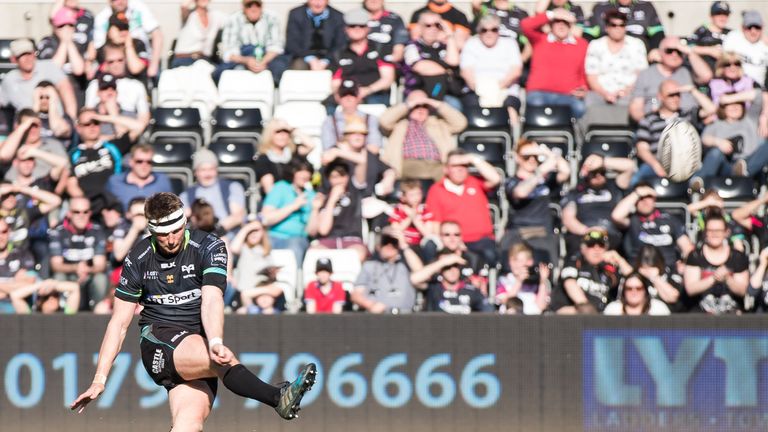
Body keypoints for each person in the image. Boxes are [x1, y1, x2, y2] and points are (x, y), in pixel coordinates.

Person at [70, 192, 317, 427]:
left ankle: (271, 394)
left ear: (185, 222)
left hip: (198, 345)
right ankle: (277, 397)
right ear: (152, 231)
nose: (171, 239)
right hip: (159, 341)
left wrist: (216, 340)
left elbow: (212, 299)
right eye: (163, 234)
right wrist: (99, 380)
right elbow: (119, 323)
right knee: (219, 359)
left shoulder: (210, 247)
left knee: (188, 426)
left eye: (176, 230)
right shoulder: (138, 258)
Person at [426, 149, 502, 267]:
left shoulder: (474, 182)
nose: (460, 169)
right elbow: (435, 223)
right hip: (451, 241)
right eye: (455, 165)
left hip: (481, 240)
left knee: (491, 255)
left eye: (464, 165)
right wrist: (451, 243)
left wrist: (472, 158)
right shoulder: (437, 190)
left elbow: (495, 179)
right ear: (446, 169)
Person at [632, 79, 716, 184]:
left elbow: (711, 109)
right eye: (671, 95)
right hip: (657, 164)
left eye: (678, 95)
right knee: (638, 178)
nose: (675, 99)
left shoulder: (687, 115)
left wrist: (692, 90)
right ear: (660, 96)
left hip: (687, 166)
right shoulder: (649, 119)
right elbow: (642, 149)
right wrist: (656, 165)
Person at [502, 139, 570, 263]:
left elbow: (565, 171)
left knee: (547, 265)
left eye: (536, 156)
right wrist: (540, 172)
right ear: (517, 158)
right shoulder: (511, 181)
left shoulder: (545, 181)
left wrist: (548, 153)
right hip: (518, 233)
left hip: (543, 232)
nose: (532, 159)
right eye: (527, 156)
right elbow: (521, 192)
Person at [379, 90, 467, 180]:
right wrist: (409, 104)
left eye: (424, 106)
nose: (421, 109)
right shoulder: (399, 124)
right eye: (416, 106)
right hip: (410, 164)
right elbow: (384, 121)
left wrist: (434, 103)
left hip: (438, 165)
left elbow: (460, 123)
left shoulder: (438, 124)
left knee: (453, 177)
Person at [561, 153, 634, 257]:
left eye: (602, 172)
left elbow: (630, 166)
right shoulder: (576, 192)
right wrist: (588, 231)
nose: (598, 175)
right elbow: (568, 219)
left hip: (611, 234)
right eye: (594, 172)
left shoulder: (614, 187)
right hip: (584, 233)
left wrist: (603, 161)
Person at [521, 8, 589, 118]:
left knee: (579, 108)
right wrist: (551, 14)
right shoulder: (540, 40)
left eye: (565, 23)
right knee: (536, 105)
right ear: (551, 24)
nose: (561, 26)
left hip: (567, 96)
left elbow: (584, 71)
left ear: (570, 25)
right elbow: (525, 25)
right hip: (539, 93)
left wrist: (584, 87)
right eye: (557, 22)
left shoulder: (581, 44)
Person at [584, 9, 647, 123]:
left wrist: (625, 91)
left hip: (629, 93)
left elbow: (641, 75)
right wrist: (605, 94)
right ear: (607, 27)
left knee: (638, 104)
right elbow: (591, 76)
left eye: (622, 25)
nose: (618, 28)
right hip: (601, 93)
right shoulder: (595, 45)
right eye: (614, 25)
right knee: (589, 102)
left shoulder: (636, 45)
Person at [629, 36, 713, 122]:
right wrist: (650, 125)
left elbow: (706, 76)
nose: (674, 54)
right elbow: (636, 108)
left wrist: (690, 52)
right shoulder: (646, 74)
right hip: (656, 126)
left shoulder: (688, 70)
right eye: (669, 51)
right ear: (659, 53)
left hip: (688, 123)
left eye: (679, 51)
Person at [66, 108, 134, 213]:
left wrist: (103, 117)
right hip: (88, 209)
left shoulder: (112, 147)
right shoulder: (73, 154)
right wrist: (86, 208)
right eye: (87, 124)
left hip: (114, 204)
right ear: (78, 128)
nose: (92, 127)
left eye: (96, 122)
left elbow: (138, 127)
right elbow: (71, 185)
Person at [459, 15, 523, 125]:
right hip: (476, 89)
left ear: (498, 31)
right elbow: (466, 72)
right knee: (471, 106)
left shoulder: (510, 43)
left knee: (511, 109)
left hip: (506, 89)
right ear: (479, 31)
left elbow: (516, 70)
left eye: (494, 29)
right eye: (484, 30)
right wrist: (484, 90)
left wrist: (496, 88)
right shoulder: (471, 43)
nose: (489, 33)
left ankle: (513, 140)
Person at [611, 182, 695, 266]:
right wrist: (636, 193)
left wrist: (684, 264)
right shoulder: (632, 220)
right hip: (639, 271)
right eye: (641, 198)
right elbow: (616, 216)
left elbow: (687, 248)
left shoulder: (670, 219)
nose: (644, 201)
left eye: (648, 197)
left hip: (668, 270)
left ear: (654, 198)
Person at [49, 196, 109, 310]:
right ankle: (64, 313)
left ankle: (99, 313)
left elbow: (100, 265)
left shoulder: (97, 231)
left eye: (85, 212)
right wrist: (76, 267)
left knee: (101, 279)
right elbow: (55, 265)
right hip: (67, 274)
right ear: (69, 214)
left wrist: (87, 270)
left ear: (90, 213)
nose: (81, 215)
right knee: (58, 277)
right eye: (76, 212)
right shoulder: (58, 232)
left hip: (89, 275)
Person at [684, 212, 748, 314]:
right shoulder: (695, 256)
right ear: (705, 232)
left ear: (726, 232)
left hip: (733, 316)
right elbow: (690, 289)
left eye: (718, 230)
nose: (715, 234)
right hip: (700, 316)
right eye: (711, 230)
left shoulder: (737, 256)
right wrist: (714, 278)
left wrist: (727, 279)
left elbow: (742, 291)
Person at [550, 228, 627, 314]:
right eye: (591, 245)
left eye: (601, 245)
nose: (596, 249)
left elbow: (636, 279)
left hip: (600, 316)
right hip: (572, 314)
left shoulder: (609, 270)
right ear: (583, 248)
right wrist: (588, 310)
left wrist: (620, 260)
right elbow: (569, 283)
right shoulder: (575, 262)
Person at [306, 160, 369, 262]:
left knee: (358, 254)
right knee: (313, 253)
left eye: (342, 175)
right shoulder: (324, 199)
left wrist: (336, 151)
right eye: (334, 177)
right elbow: (323, 230)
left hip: (351, 240)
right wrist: (331, 200)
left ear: (348, 177)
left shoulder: (355, 192)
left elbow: (361, 161)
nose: (339, 180)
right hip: (329, 241)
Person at [0, 38, 78, 119]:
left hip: (55, 124)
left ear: (34, 54)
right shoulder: (9, 80)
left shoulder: (48, 67)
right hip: (26, 127)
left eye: (29, 54)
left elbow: (66, 90)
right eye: (22, 55)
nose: (27, 58)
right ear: (13, 59)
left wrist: (71, 120)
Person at [331, 8, 395, 105]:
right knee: (329, 106)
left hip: (375, 94)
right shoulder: (338, 53)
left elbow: (387, 79)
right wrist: (340, 96)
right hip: (347, 96)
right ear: (346, 29)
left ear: (368, 28)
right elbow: (336, 82)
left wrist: (367, 90)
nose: (357, 29)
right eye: (352, 26)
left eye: (361, 26)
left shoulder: (380, 49)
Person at [320, 117, 396, 199]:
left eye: (362, 134)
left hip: (365, 202)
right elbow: (325, 159)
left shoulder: (369, 155)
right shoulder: (334, 151)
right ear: (346, 136)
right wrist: (338, 152)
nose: (358, 137)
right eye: (354, 133)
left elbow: (388, 169)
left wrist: (389, 178)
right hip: (339, 201)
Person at [351, 229, 424, 313]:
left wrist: (404, 245)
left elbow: (420, 271)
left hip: (405, 317)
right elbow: (356, 294)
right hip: (377, 317)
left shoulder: (406, 264)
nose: (389, 245)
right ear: (378, 246)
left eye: (393, 242)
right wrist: (370, 305)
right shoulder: (369, 266)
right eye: (385, 242)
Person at [694, 97, 767, 181]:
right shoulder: (716, 124)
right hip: (728, 165)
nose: (734, 107)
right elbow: (704, 138)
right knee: (716, 152)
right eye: (730, 105)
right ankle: (698, 183)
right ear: (723, 108)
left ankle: (744, 172)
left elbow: (758, 95)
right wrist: (719, 142)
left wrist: (729, 99)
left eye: (738, 104)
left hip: (751, 162)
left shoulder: (750, 119)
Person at [260, 157, 315, 264]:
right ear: (293, 172)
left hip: (297, 239)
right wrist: (294, 206)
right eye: (300, 171)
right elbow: (266, 219)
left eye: (307, 172)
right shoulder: (280, 187)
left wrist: (316, 210)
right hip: (273, 236)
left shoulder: (311, 195)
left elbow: (311, 232)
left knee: (294, 249)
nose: (305, 175)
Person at [213, 0, 284, 83]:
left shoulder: (272, 17)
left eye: (257, 5)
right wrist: (247, 61)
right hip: (242, 58)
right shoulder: (233, 19)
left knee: (279, 67)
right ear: (243, 7)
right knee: (233, 68)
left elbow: (276, 47)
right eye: (249, 5)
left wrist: (261, 62)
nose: (253, 9)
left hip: (267, 58)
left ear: (262, 6)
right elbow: (228, 52)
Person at [401, 11, 462, 107]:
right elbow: (421, 67)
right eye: (428, 25)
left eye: (437, 25)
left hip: (443, 95)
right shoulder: (412, 46)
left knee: (454, 104)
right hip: (418, 95)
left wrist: (449, 35)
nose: (433, 29)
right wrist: (447, 71)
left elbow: (454, 61)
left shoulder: (444, 47)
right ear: (420, 28)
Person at [181, 148, 247, 235]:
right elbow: (182, 218)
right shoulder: (187, 194)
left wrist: (217, 231)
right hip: (199, 237)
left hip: (227, 235)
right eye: (203, 170)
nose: (207, 174)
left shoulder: (232, 187)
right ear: (195, 172)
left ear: (216, 170)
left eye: (211, 169)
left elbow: (238, 216)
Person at [93, 0, 164, 80]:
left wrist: (154, 65)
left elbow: (157, 34)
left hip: (141, 62)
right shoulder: (102, 17)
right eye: (119, 29)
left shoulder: (139, 7)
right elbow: (96, 48)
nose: (123, 32)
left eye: (125, 28)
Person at [0, 109, 70, 183]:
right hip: (12, 190)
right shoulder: (12, 145)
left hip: (43, 190)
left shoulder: (52, 145)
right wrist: (23, 127)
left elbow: (66, 166)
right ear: (19, 127)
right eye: (28, 126)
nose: (32, 130)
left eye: (35, 126)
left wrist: (34, 152)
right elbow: (3, 156)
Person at [411, 248, 490, 313]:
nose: (452, 270)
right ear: (440, 269)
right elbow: (414, 279)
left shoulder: (471, 289)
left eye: (455, 266)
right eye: (447, 267)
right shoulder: (434, 287)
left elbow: (488, 312)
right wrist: (443, 262)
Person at [230, 219, 284, 313]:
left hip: (264, 290)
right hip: (246, 292)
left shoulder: (267, 252)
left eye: (257, 230)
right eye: (251, 231)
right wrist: (247, 228)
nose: (253, 233)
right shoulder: (244, 248)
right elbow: (233, 248)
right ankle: (252, 309)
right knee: (246, 300)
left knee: (275, 293)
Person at [281, 0, 346, 72]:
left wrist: (325, 61)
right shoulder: (296, 14)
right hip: (302, 56)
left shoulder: (338, 16)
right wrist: (310, 59)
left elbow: (340, 44)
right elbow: (292, 43)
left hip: (329, 57)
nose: (318, 3)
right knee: (298, 67)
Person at [585, 0, 664, 58]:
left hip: (639, 53)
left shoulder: (646, 6)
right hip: (607, 55)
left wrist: (655, 48)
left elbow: (658, 32)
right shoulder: (600, 7)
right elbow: (587, 34)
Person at [320, 80, 384, 151]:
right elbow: (328, 150)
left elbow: (374, 148)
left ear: (359, 96)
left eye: (352, 94)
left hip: (364, 160)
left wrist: (346, 151)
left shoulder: (371, 119)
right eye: (344, 95)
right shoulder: (329, 121)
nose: (348, 98)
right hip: (340, 160)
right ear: (337, 97)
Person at [107, 143, 174, 211]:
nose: (144, 165)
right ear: (131, 162)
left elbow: (171, 207)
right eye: (139, 161)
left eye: (149, 162)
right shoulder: (115, 182)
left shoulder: (162, 180)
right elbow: (106, 208)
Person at [256, 118, 314, 194]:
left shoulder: (293, 152)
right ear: (270, 134)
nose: (283, 135)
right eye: (278, 132)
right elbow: (269, 190)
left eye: (286, 132)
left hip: (297, 195)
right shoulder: (263, 159)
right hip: (279, 200)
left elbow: (311, 145)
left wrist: (293, 130)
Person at [495, 243, 551, 314]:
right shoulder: (503, 280)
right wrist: (519, 281)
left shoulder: (536, 283)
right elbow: (504, 302)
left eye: (528, 260)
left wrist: (542, 281)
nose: (513, 264)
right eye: (512, 260)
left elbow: (541, 307)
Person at [388, 179, 437, 255]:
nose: (416, 198)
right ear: (403, 197)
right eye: (412, 195)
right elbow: (396, 231)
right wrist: (410, 217)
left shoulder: (425, 211)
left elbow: (428, 233)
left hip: (420, 245)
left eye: (418, 194)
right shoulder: (398, 210)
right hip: (401, 243)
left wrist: (414, 219)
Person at [173, 0, 227, 68]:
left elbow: (232, 21)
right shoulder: (189, 14)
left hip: (205, 61)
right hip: (184, 59)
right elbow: (184, 5)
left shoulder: (216, 15)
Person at [722, 10, 768, 89]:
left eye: (757, 27)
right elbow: (724, 63)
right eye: (749, 27)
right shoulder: (734, 38)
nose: (753, 31)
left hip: (758, 91)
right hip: (734, 86)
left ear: (762, 27)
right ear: (742, 28)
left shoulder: (765, 45)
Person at [634, 244, 686, 312]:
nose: (647, 272)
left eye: (651, 268)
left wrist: (655, 278)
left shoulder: (671, 275)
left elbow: (673, 297)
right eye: (644, 268)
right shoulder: (637, 278)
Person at [0, 220, 37, 314]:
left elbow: (30, 285)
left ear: (9, 232)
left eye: (3, 232)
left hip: (17, 308)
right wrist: (14, 283)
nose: (0, 236)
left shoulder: (23, 255)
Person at [687, 1, 732, 73]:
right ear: (711, 16)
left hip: (724, 74)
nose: (722, 17)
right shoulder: (702, 30)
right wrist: (709, 50)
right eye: (718, 13)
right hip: (704, 72)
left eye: (725, 14)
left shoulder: (731, 33)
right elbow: (689, 47)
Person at [603, 272, 671, 315]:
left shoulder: (658, 309)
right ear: (624, 291)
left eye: (638, 288)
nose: (634, 292)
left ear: (645, 290)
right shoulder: (613, 309)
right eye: (629, 288)